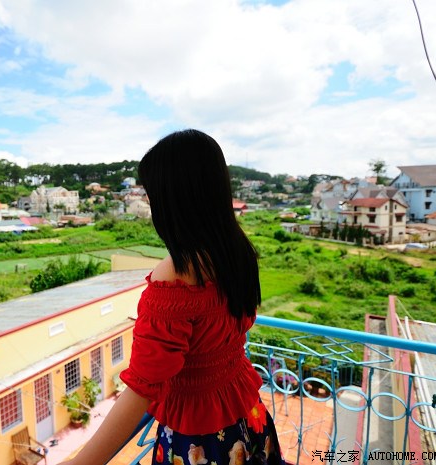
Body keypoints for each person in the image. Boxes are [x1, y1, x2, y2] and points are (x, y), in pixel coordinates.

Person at [58, 129, 284, 465]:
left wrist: (80, 462)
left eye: (152, 196)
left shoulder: (174, 278)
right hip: (248, 417)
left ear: (172, 201)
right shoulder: (237, 251)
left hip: (202, 439)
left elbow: (142, 388)